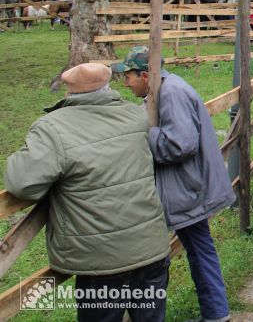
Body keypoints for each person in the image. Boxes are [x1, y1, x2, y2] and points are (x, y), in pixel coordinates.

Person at [5, 63, 170, 322]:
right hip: (151, 246)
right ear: (108, 86)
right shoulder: (133, 115)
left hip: (101, 259)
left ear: (69, 91)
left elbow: (22, 182)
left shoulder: (52, 128)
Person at [111, 47, 236, 322]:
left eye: (129, 76)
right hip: (186, 187)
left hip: (187, 189)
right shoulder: (161, 91)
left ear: (145, 75)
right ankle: (216, 313)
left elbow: (181, 144)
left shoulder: (171, 93)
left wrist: (147, 133)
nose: (126, 82)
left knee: (200, 250)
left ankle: (217, 314)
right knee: (199, 248)